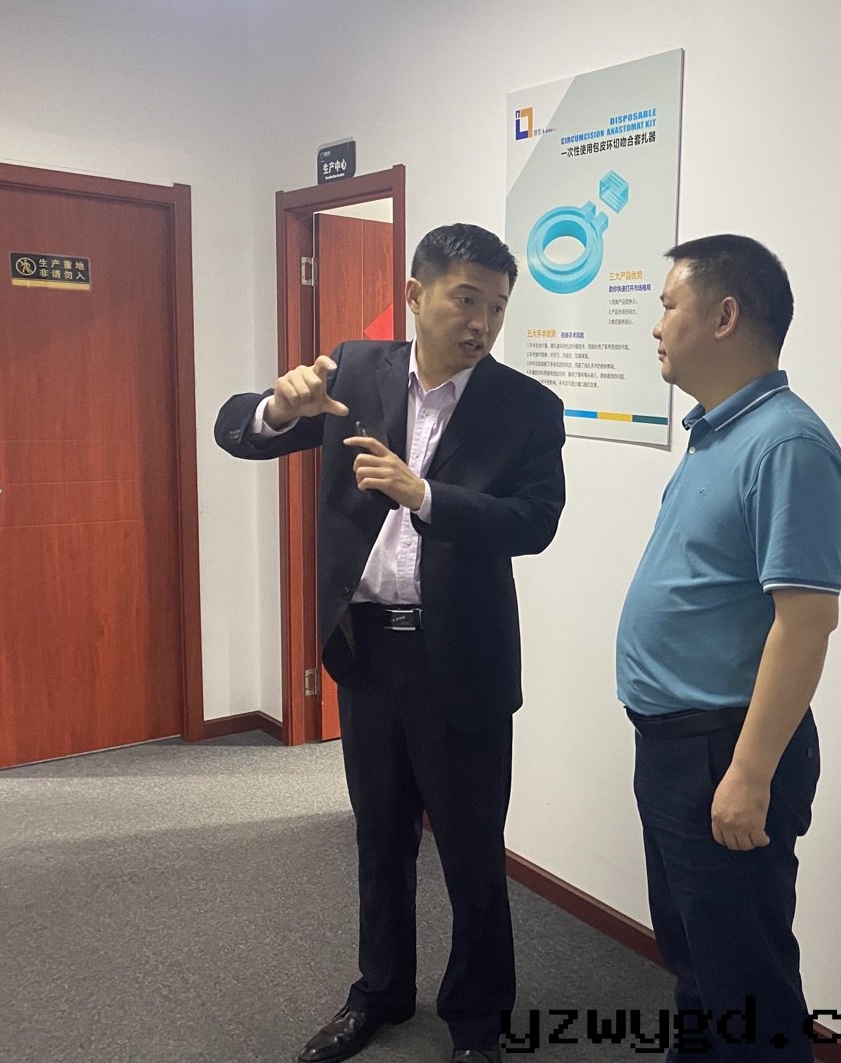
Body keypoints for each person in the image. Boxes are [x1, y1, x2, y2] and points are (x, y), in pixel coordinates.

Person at [214, 224, 565, 1063]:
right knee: (378, 838)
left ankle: (477, 1022)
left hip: (463, 659)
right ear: (416, 294)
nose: (482, 322)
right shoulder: (354, 373)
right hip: (367, 650)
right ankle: (380, 991)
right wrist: (279, 406)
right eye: (466, 299)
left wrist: (425, 494)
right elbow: (237, 432)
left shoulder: (526, 406)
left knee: (471, 850)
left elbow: (534, 522)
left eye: (497, 307)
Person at [615, 235, 841, 1062]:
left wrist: (748, 777)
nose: (657, 326)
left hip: (726, 750)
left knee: (746, 987)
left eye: (668, 306)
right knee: (697, 963)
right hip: (676, 745)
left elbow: (806, 623)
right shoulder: (720, 433)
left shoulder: (788, 445)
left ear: (723, 316)